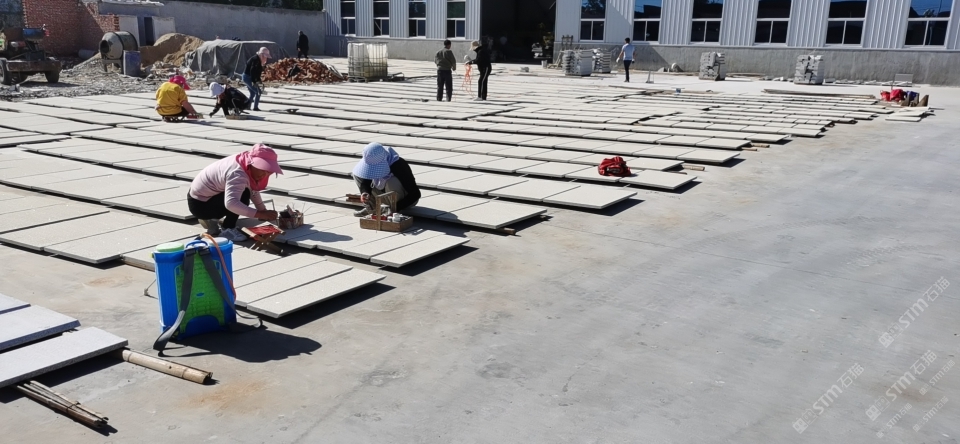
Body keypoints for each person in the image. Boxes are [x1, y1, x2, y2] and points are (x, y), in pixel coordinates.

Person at [187, 144, 283, 242]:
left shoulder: (244, 161)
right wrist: (260, 214)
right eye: (262, 169)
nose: (265, 174)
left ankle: (212, 219)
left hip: (206, 198)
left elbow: (252, 189)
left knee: (244, 192)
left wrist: (263, 211)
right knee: (243, 196)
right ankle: (227, 228)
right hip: (200, 205)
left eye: (268, 171)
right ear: (252, 163)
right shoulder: (238, 173)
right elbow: (231, 204)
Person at [351, 142, 421, 217]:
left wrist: (394, 208)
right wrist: (365, 192)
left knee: (392, 181)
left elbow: (415, 194)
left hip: (404, 200)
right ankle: (372, 208)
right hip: (385, 197)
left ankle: (389, 209)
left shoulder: (399, 165)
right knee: (358, 175)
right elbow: (366, 181)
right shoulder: (371, 159)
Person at [243, 47, 270, 111]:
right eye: (265, 57)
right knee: (258, 92)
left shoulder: (259, 61)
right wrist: (253, 81)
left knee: (253, 93)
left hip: (249, 77)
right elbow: (252, 71)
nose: (266, 59)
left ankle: (247, 106)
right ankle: (255, 107)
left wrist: (259, 80)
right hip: (247, 77)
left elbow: (257, 73)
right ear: (261, 55)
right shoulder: (255, 60)